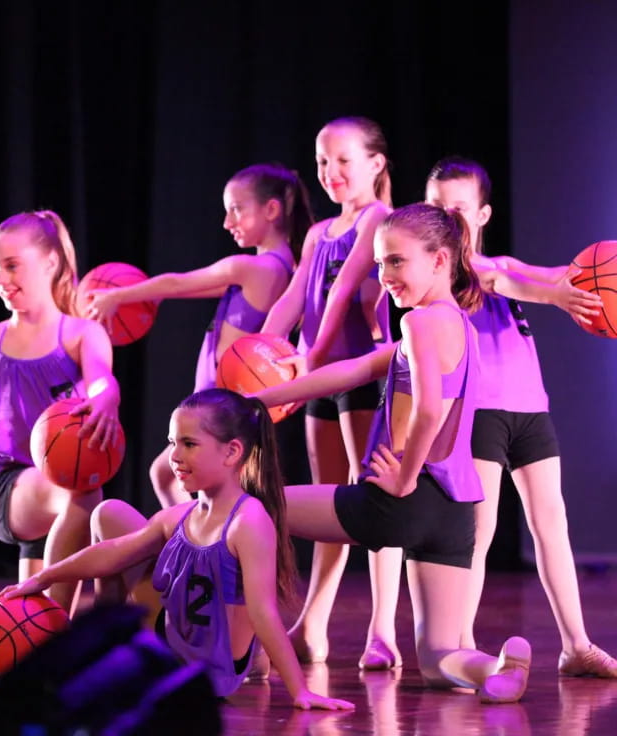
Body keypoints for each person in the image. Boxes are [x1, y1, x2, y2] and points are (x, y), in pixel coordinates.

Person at [256, 203, 532, 704]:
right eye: (380, 263)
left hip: (404, 499)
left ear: (441, 260)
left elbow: (429, 410)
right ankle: (496, 666)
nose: (384, 276)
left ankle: (244, 647)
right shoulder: (461, 327)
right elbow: (358, 369)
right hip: (454, 511)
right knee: (438, 657)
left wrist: (404, 476)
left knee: (257, 508)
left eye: (397, 262)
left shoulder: (422, 325)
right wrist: (262, 398)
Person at [1, 388, 354, 710]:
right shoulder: (179, 516)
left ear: (232, 451)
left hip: (212, 667)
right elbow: (112, 552)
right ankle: (108, 649)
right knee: (109, 515)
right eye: (172, 443)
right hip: (176, 643)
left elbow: (264, 612)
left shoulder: (249, 521)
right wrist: (44, 578)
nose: (175, 457)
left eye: (189, 444)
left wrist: (300, 691)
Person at [425, 156, 617, 676]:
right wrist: (554, 294)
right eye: (436, 208)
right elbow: (509, 279)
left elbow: (545, 274)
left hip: (532, 413)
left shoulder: (500, 262)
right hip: (481, 413)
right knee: (479, 532)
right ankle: (458, 642)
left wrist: (575, 284)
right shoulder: (456, 274)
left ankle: (576, 645)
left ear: (482, 215)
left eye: (458, 209)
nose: (447, 218)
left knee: (552, 525)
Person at [0, 210, 121, 617]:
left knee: (21, 621)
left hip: (55, 481)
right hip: (7, 484)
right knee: (84, 494)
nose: (1, 278)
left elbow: (102, 378)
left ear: (50, 262)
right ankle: (55, 632)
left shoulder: (82, 334)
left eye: (12, 265)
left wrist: (106, 398)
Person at [261, 116, 401, 669]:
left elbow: (343, 294)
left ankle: (382, 629)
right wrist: (261, 354)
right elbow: (294, 301)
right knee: (330, 503)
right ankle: (312, 624)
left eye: (343, 160)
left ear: (375, 164)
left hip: (358, 375)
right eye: (322, 161)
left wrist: (304, 365)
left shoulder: (380, 219)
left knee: (372, 499)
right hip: (315, 377)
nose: (331, 172)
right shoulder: (319, 234)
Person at [85, 163, 309, 508]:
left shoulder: (256, 268)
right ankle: (196, 553)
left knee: (193, 485)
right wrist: (145, 294)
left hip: (223, 406)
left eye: (236, 209)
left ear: (272, 210)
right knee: (172, 477)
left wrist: (117, 295)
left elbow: (177, 282)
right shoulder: (272, 270)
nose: (227, 222)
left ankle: (203, 555)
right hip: (219, 403)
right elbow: (178, 289)